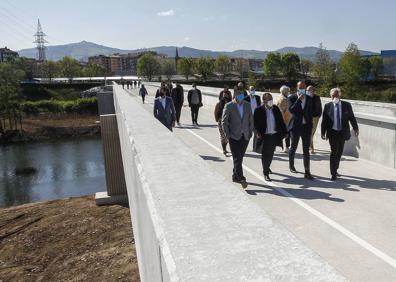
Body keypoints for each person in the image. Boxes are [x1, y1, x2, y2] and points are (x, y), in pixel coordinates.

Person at [321, 88, 359, 181]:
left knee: (339, 152)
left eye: (336, 95)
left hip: (342, 132)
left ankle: (335, 169)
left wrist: (355, 127)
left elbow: (351, 117)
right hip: (332, 132)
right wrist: (323, 131)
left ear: (340, 96)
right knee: (334, 151)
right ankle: (333, 173)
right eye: (333, 96)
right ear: (330, 96)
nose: (335, 97)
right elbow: (324, 120)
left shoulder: (346, 105)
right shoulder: (327, 106)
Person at [222, 89, 254, 188]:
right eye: (238, 95)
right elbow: (224, 122)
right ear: (235, 95)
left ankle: (234, 176)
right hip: (233, 136)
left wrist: (250, 132)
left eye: (242, 95)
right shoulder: (229, 105)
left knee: (239, 158)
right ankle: (241, 178)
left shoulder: (247, 105)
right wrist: (227, 135)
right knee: (237, 158)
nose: (240, 96)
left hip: (245, 136)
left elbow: (250, 120)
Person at [254, 93, 287, 181]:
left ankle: (267, 167)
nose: (271, 101)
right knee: (265, 155)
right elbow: (255, 123)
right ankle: (265, 172)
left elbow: (281, 121)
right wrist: (257, 132)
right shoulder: (258, 110)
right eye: (269, 99)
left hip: (274, 135)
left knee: (271, 154)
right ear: (264, 101)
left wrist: (285, 132)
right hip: (265, 136)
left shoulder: (275, 108)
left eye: (271, 99)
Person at [287, 81, 314, 180]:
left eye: (304, 86)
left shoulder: (310, 98)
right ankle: (291, 165)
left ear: (305, 87)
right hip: (295, 127)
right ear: (297, 88)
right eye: (300, 87)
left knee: (306, 150)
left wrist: (310, 126)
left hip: (306, 127)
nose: (302, 88)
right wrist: (298, 100)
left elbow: (310, 113)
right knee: (293, 147)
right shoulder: (291, 97)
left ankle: (307, 172)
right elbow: (291, 110)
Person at [214, 90, 232, 155]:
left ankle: (226, 148)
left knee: (228, 136)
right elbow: (216, 112)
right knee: (223, 136)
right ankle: (224, 149)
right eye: (224, 95)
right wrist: (218, 119)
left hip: (230, 122)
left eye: (226, 94)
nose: (225, 96)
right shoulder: (219, 104)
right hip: (221, 122)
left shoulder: (232, 104)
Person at [307, 85, 322, 154]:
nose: (309, 91)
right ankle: (311, 147)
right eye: (307, 90)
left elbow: (320, 107)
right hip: (307, 117)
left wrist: (319, 115)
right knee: (309, 132)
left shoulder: (317, 97)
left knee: (312, 133)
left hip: (315, 117)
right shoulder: (304, 97)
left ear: (313, 91)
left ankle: (309, 146)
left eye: (310, 90)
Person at [277, 85, 291, 152]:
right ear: (285, 92)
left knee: (286, 134)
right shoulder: (283, 99)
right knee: (285, 134)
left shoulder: (284, 98)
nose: (288, 92)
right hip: (285, 119)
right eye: (288, 91)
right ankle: (287, 147)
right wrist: (284, 121)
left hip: (286, 118)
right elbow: (281, 111)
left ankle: (287, 147)